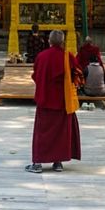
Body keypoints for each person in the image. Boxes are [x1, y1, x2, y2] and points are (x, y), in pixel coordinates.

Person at [27, 30, 81, 173]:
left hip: (45, 99)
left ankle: (37, 163)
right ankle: (58, 163)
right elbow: (77, 75)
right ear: (63, 41)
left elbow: (36, 76)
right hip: (63, 101)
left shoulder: (42, 56)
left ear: (49, 41)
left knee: (42, 132)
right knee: (60, 133)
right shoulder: (67, 56)